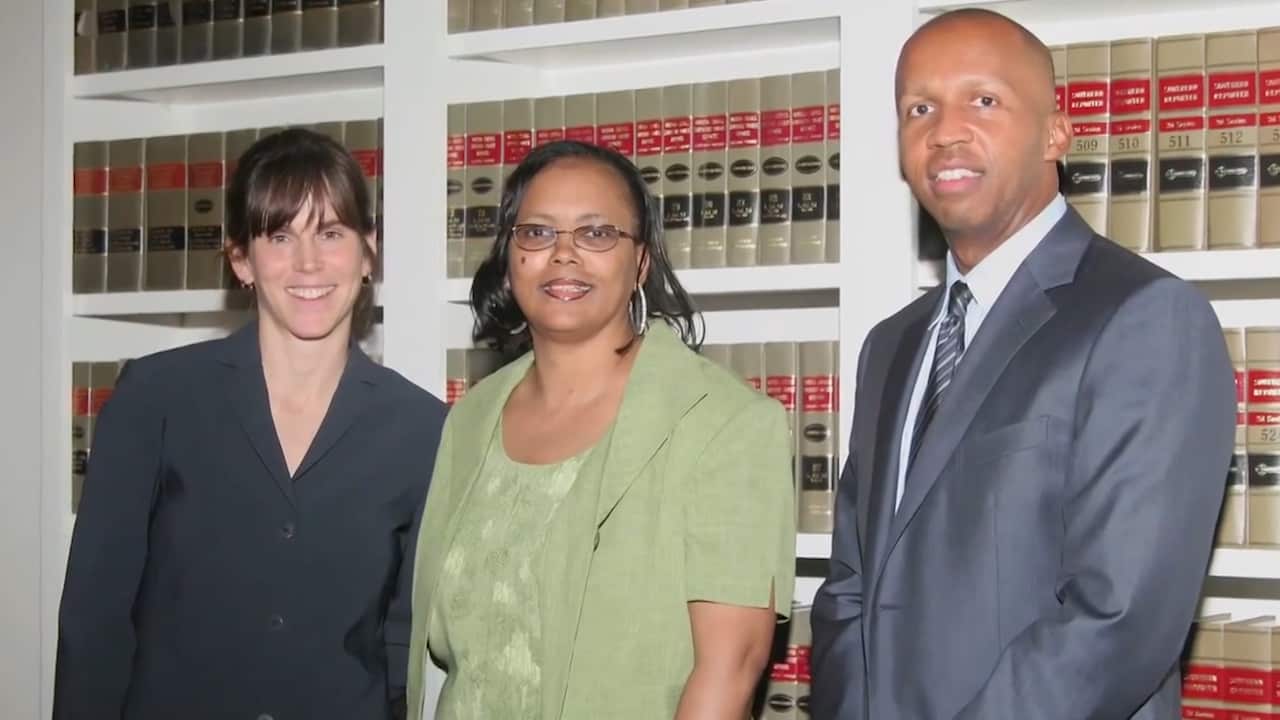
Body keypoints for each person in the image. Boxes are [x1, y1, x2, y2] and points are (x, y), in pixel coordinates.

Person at [810, 9, 1236, 719]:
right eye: (919, 107)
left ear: (1055, 133)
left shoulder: (1145, 317)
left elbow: (1118, 617)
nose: (944, 129)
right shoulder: (892, 344)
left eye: (983, 100)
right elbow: (852, 581)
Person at [54, 128, 447, 720]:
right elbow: (95, 619)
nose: (309, 262)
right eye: (280, 235)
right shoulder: (154, 398)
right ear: (241, 259)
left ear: (369, 251)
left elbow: (401, 640)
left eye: (332, 233)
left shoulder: (422, 427)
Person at [405, 139, 796, 720]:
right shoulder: (471, 419)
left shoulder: (725, 424)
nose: (564, 255)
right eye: (537, 233)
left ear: (640, 262)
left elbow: (730, 670)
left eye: (596, 234)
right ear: (510, 258)